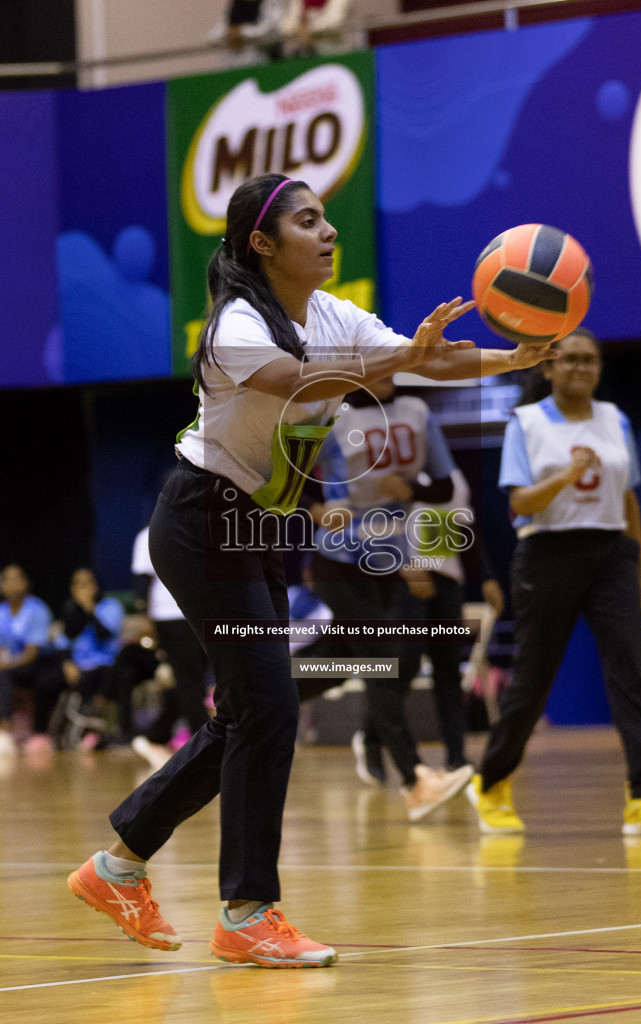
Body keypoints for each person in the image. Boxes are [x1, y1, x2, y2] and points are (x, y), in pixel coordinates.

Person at [67, 172, 556, 968]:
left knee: (248, 715)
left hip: (257, 529)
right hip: (203, 521)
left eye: (327, 218)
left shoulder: (331, 314)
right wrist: (394, 360)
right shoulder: (235, 326)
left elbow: (421, 361)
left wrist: (511, 354)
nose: (327, 231)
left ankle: (117, 867)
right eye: (307, 221)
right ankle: (248, 910)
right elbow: (301, 382)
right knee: (271, 710)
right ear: (262, 244)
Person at [466, 328, 641, 837]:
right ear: (548, 368)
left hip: (611, 555)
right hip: (547, 554)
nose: (581, 368)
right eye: (569, 360)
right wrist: (566, 476)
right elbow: (519, 503)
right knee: (534, 681)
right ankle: (491, 782)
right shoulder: (527, 423)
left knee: (629, 674)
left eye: (590, 360)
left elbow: (628, 500)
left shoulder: (615, 420)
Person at [310, 376, 475, 817]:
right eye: (373, 367)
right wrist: (313, 507)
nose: (384, 374)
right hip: (341, 562)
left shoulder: (417, 415)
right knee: (383, 659)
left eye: (390, 366)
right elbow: (286, 474)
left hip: (390, 558)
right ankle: (415, 779)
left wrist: (412, 492)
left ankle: (248, 702)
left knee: (337, 658)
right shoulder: (330, 416)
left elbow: (444, 489)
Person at [352, 463, 506, 785]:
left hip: (447, 578)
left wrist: (488, 576)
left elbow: (465, 527)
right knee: (403, 665)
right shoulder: (390, 472)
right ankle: (370, 740)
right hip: (404, 579)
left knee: (448, 669)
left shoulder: (452, 478)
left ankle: (456, 758)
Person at [124, 525, 210, 769]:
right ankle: (205, 745)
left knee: (190, 679)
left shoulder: (205, 530)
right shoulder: (149, 534)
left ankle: (155, 736)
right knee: (189, 678)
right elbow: (142, 579)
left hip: (200, 613)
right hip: (169, 616)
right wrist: (144, 616)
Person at [45, 569, 125, 749]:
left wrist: (89, 608)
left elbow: (104, 634)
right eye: (78, 585)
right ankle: (47, 733)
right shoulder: (70, 611)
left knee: (98, 678)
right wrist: (67, 664)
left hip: (107, 664)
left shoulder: (110, 606)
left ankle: (93, 731)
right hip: (79, 666)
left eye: (87, 583)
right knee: (46, 679)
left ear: (96, 586)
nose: (83, 589)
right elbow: (62, 641)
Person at [0, 564, 53, 756]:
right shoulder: (1, 612)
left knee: (4, 676)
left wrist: (5, 664)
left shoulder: (37, 609)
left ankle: (3, 731)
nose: (13, 584)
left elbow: (32, 652)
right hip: (9, 666)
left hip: (37, 665)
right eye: (8, 579)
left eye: (17, 579)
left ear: (26, 583)